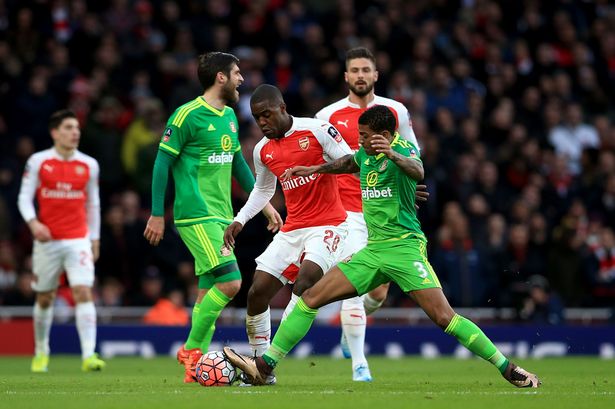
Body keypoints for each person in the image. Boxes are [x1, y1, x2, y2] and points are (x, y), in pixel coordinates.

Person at [224, 105, 541, 389]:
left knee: (444, 317)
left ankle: (507, 367)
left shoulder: (402, 149)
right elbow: (349, 162)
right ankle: (265, 366)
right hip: (373, 252)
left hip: (404, 250)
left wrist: (392, 154)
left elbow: (417, 171)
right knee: (310, 297)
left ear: (385, 135)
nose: (359, 140)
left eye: (364, 136)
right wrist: (315, 169)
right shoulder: (364, 154)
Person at [143, 52, 282, 383]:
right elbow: (162, 164)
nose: (241, 80)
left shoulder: (231, 117)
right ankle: (191, 350)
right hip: (196, 215)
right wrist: (156, 213)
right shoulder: (186, 116)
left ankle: (194, 368)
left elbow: (238, 166)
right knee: (231, 282)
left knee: (208, 295)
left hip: (222, 215)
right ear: (220, 77)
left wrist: (264, 203)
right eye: (236, 73)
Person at [222, 84, 353, 384]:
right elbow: (264, 189)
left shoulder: (318, 130)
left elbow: (351, 161)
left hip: (329, 224)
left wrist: (316, 169)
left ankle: (267, 363)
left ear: (282, 108)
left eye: (267, 115)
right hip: (293, 227)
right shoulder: (262, 150)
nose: (263, 122)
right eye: (257, 118)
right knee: (256, 293)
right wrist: (239, 220)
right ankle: (261, 366)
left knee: (304, 283)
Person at [314, 46, 423, 377]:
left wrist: (410, 185)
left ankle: (353, 330)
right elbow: (328, 164)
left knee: (377, 292)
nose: (360, 75)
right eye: (354, 70)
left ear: (376, 74)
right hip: (348, 211)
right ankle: (360, 364)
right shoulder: (326, 115)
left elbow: (412, 152)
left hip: (387, 210)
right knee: (353, 285)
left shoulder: (396, 111)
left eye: (366, 70)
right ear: (346, 76)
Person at [17, 109, 105, 373]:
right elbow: (23, 198)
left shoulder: (89, 164)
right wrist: (34, 224)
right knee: (45, 297)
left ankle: (89, 356)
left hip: (78, 239)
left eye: (76, 128)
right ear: (55, 132)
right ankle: (41, 352)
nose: (75, 132)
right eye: (68, 127)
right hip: (48, 241)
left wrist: (95, 238)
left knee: (83, 291)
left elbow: (93, 204)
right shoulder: (38, 161)